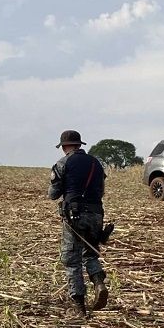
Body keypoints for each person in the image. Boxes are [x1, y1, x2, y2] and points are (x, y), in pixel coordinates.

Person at [48, 130, 109, 318]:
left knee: (71, 259)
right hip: (96, 214)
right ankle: (99, 282)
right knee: (89, 254)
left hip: (74, 216)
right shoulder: (96, 163)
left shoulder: (63, 163)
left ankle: (78, 306)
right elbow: (101, 191)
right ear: (79, 145)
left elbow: (53, 194)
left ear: (65, 146)